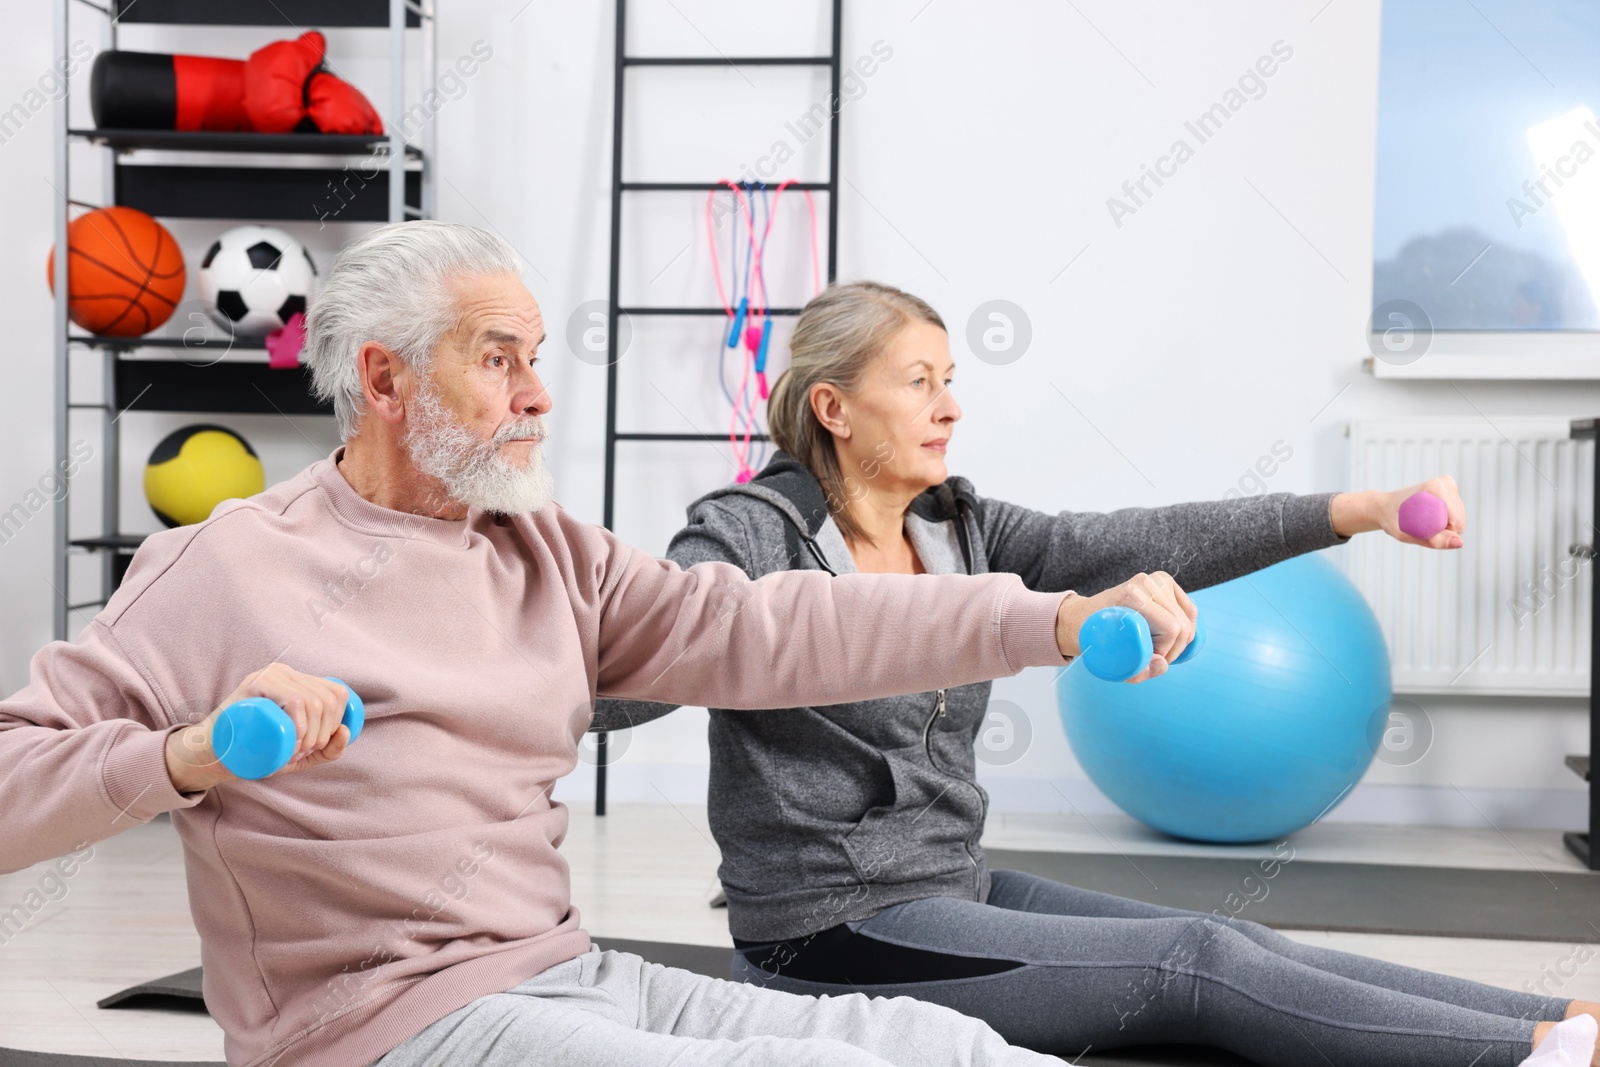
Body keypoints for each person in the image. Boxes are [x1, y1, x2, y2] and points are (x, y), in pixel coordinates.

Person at [0, 224, 1139, 1067]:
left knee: (946, 1048)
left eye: (536, 355)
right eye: (498, 358)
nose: (538, 392)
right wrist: (186, 756)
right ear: (385, 378)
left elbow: (773, 620)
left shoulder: (542, 548)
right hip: (376, 1032)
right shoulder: (229, 567)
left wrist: (1047, 620)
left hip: (568, 978)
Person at [593, 280, 1600, 1067]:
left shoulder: (956, 524)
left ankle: (1561, 1018)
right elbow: (648, 654)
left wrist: (1356, 507)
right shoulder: (751, 534)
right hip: (825, 933)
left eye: (949, 378)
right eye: (919, 382)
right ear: (834, 406)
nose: (950, 406)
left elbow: (1141, 536)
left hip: (951, 884)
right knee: (1195, 968)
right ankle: (1518, 1053)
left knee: (1218, 933)